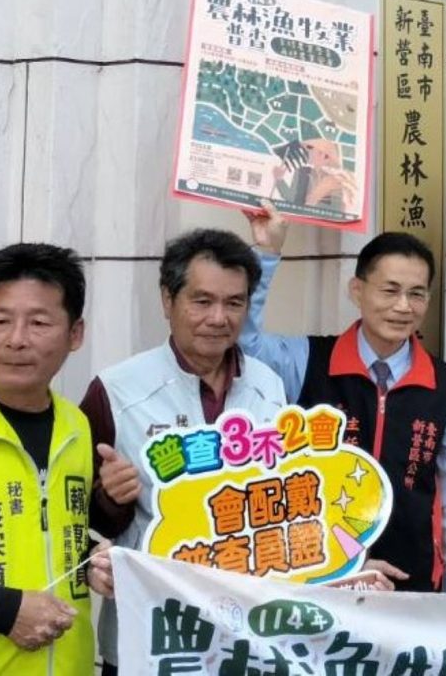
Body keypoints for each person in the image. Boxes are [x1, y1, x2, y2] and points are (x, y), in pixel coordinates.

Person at [239, 202, 446, 594]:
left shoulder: (444, 384)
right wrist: (266, 253)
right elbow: (243, 344)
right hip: (321, 579)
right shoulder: (309, 360)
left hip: (412, 585)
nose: (403, 306)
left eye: (417, 294)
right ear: (357, 290)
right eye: (390, 290)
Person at [84, 229, 287, 675]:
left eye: (234, 303)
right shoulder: (116, 390)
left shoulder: (270, 386)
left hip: (246, 638)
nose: (218, 318)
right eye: (202, 301)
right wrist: (110, 500)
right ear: (167, 299)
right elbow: (77, 519)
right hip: (151, 636)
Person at [0, 243, 104, 675]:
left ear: (75, 334)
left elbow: (46, 532)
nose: (16, 339)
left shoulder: (76, 425)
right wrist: (5, 611)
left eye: (39, 323)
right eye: (0, 321)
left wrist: (93, 560)